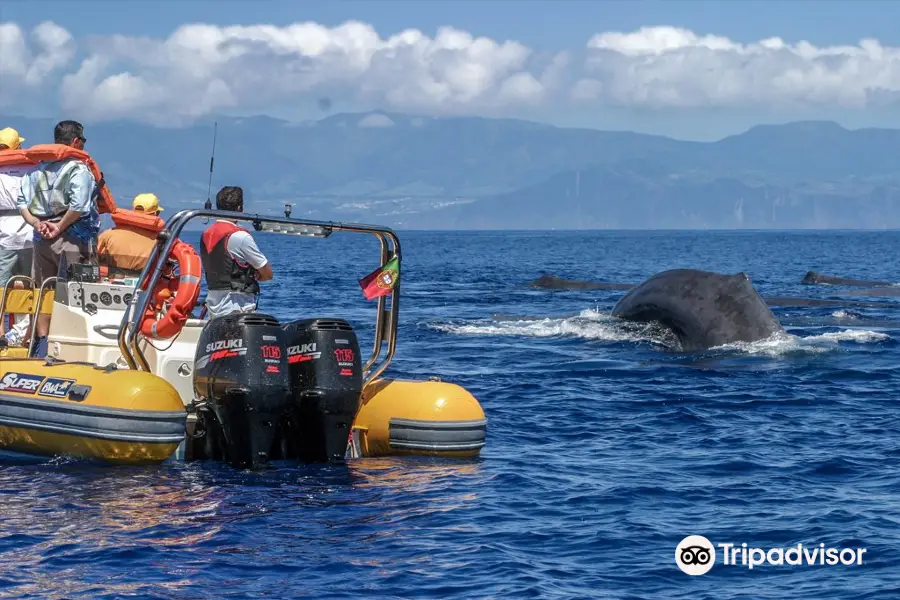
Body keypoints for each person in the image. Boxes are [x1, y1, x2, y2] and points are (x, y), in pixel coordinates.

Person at [16, 120, 100, 356]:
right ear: (76, 142)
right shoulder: (78, 169)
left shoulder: (37, 170)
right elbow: (79, 205)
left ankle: (42, 344)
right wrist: (59, 226)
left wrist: (38, 223)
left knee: (45, 288)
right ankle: (75, 345)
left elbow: (22, 203)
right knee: (79, 289)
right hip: (73, 238)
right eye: (82, 141)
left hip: (41, 238)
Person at [200, 186, 272, 319]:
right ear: (240, 208)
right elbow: (268, 273)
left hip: (214, 307)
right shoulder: (240, 237)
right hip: (237, 308)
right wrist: (256, 276)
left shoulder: (205, 235)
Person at [97, 193, 163, 276]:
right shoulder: (161, 241)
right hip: (144, 285)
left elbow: (92, 256)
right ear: (157, 213)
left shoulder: (108, 235)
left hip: (111, 283)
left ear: (133, 210)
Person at [0, 127, 34, 286]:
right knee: (29, 284)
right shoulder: (33, 169)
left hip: (3, 235)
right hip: (30, 234)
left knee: (1, 284)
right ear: (17, 147)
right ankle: (27, 312)